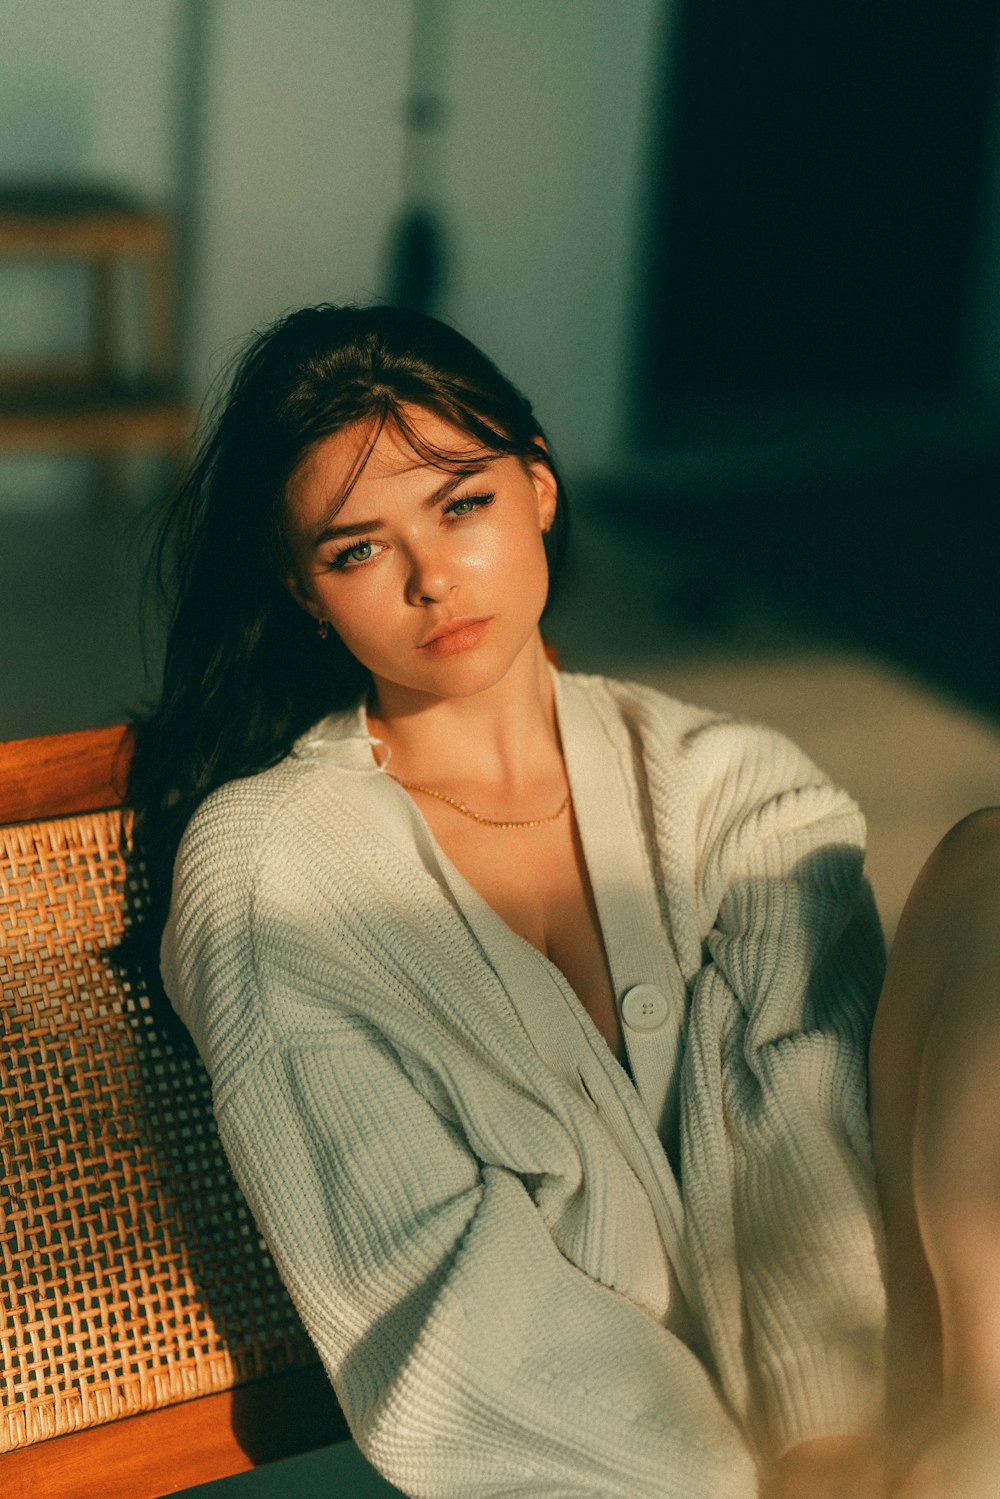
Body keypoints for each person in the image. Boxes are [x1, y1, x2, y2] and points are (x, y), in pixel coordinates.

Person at [127, 303, 999, 1498]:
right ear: (302, 587)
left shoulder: (734, 783)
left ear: (537, 487)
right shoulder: (271, 870)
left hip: (871, 1437)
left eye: (462, 501)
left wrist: (828, 1445)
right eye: (358, 548)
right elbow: (435, 1290)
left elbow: (796, 1128)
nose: (434, 577)